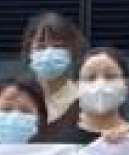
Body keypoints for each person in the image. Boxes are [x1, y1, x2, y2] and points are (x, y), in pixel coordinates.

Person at [19, 12, 85, 141]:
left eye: (58, 46)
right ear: (29, 51)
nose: (49, 52)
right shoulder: (15, 96)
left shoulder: (85, 100)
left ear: (73, 50)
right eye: (41, 47)